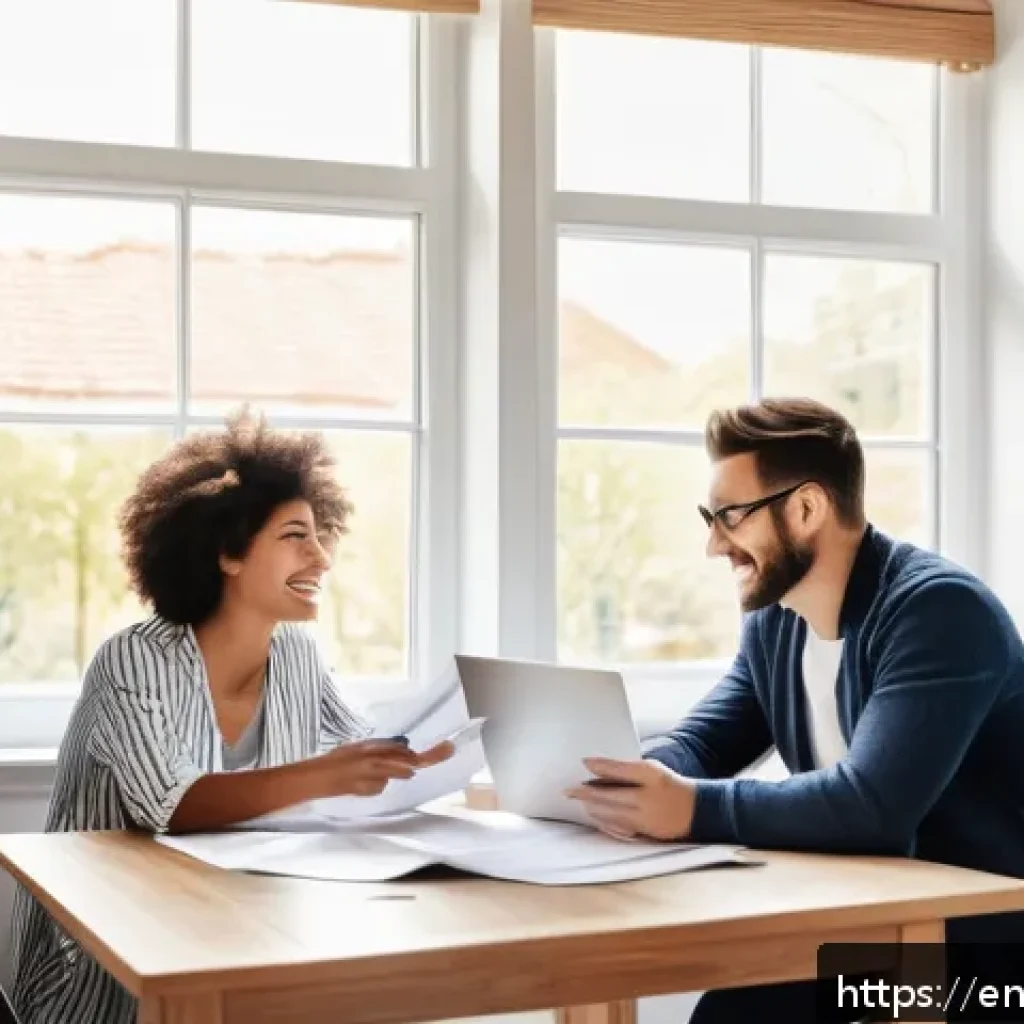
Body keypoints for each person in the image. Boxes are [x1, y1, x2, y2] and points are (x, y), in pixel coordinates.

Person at [568, 397, 1024, 1023]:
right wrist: (624, 777)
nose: (714, 545)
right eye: (710, 518)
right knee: (734, 1012)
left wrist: (690, 808)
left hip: (984, 965)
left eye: (730, 516)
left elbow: (871, 807)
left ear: (807, 509)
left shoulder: (939, 612)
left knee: (742, 1017)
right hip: (877, 928)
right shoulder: (777, 620)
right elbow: (706, 742)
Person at [10, 410, 453, 1024]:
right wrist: (325, 775)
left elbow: (363, 749)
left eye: (320, 536)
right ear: (228, 552)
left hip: (229, 937)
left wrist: (437, 755)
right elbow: (171, 804)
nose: (321, 558)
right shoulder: (134, 660)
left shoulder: (297, 655)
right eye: (295, 536)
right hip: (98, 983)